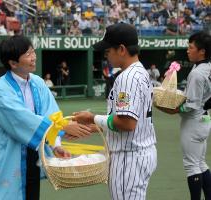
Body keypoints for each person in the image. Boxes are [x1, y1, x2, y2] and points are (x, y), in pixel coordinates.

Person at [0, 35, 92, 200]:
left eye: (33, 51)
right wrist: (63, 127)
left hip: (33, 153)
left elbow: (51, 114)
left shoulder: (38, 82)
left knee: (32, 193)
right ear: (13, 63)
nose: (33, 57)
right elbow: (21, 120)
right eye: (27, 54)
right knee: (8, 194)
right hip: (9, 156)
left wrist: (56, 145)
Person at [73, 23, 157, 200]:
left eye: (108, 50)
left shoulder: (127, 78)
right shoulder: (139, 71)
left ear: (121, 49)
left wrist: (92, 118)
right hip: (139, 152)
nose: (106, 55)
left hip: (129, 157)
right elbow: (126, 119)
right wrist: (92, 128)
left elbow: (127, 123)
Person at [156, 31, 211, 200]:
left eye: (191, 47)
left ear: (202, 51)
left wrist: (170, 108)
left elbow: (190, 105)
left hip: (194, 121)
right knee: (200, 163)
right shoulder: (207, 67)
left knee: (191, 166)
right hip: (205, 119)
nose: (188, 50)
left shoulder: (197, 73)